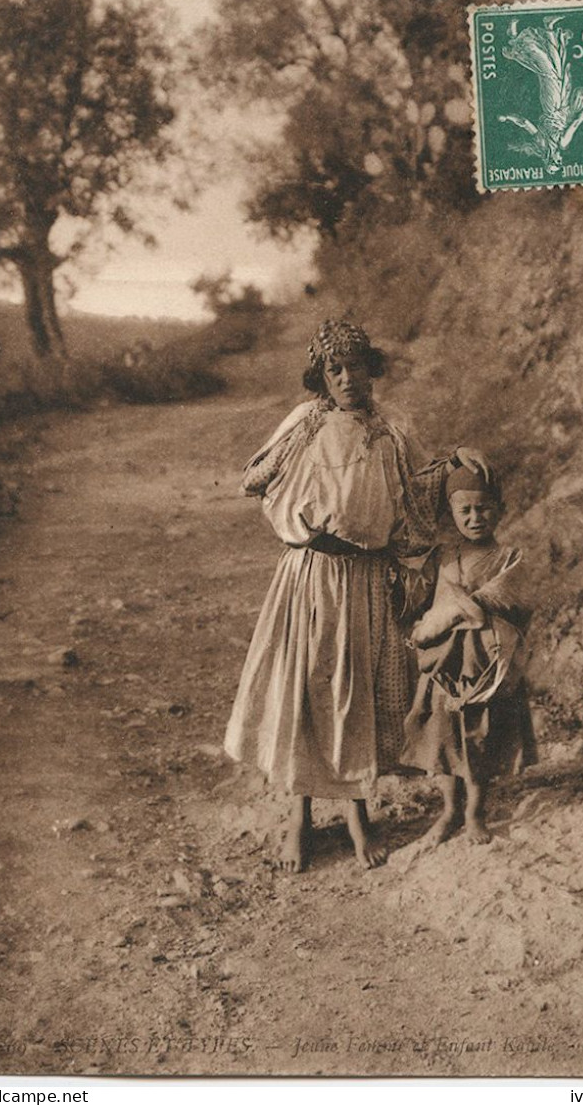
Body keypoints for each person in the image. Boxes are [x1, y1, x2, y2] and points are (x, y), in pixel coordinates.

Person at [224, 319, 487, 872]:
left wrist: (459, 463)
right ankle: (300, 819)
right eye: (334, 369)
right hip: (313, 574)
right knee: (306, 691)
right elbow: (256, 480)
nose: (347, 378)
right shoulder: (305, 423)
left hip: (368, 580)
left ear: (372, 368)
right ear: (320, 377)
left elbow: (420, 495)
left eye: (356, 366)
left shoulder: (392, 429)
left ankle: (356, 816)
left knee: (355, 697)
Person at [399, 464, 537, 849]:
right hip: (445, 671)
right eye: (465, 511)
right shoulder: (442, 557)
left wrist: (471, 608)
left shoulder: (510, 557)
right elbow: (418, 600)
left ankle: (475, 812)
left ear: (501, 509)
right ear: (452, 514)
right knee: (444, 742)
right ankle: (449, 811)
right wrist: (437, 617)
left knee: (480, 743)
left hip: (486, 670)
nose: (476, 517)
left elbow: (517, 603)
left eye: (485, 508)